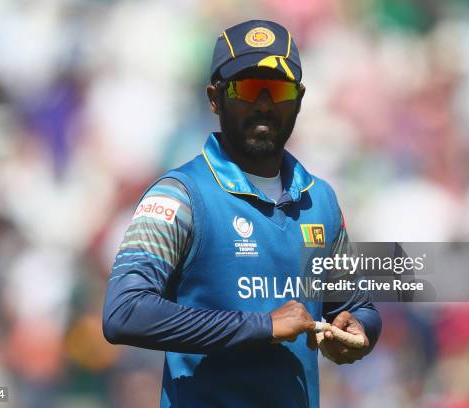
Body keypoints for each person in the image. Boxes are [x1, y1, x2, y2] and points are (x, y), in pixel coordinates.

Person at [103, 19, 381, 407]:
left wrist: (359, 329)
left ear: (299, 99)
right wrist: (263, 326)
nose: (264, 103)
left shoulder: (321, 200)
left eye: (279, 90)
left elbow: (353, 305)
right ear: (215, 98)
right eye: (247, 89)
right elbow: (125, 312)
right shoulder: (179, 195)